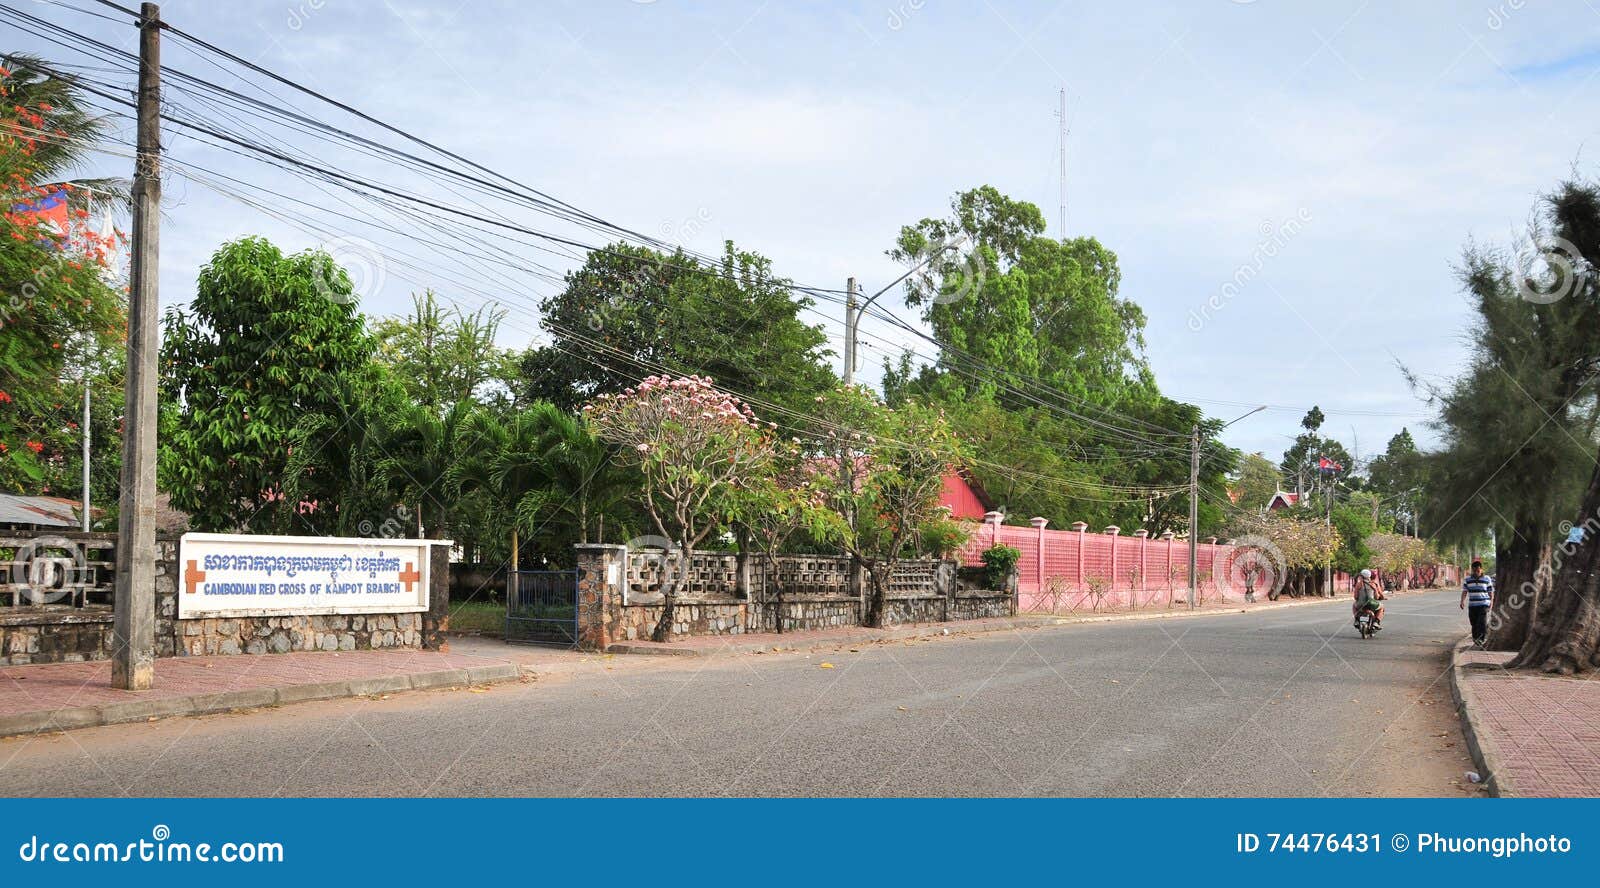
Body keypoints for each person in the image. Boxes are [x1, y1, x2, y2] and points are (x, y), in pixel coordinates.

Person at [1461, 560, 1495, 647]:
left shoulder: (1487, 578)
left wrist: (1491, 602)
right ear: (1472, 570)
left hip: (1484, 604)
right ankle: (1475, 638)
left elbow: (1490, 592)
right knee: (1474, 623)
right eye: (1474, 570)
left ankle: (1481, 639)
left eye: (1478, 570)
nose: (1476, 572)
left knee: (1481, 622)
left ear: (1481, 570)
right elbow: (1465, 591)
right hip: (1472, 605)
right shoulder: (1467, 579)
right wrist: (1462, 601)